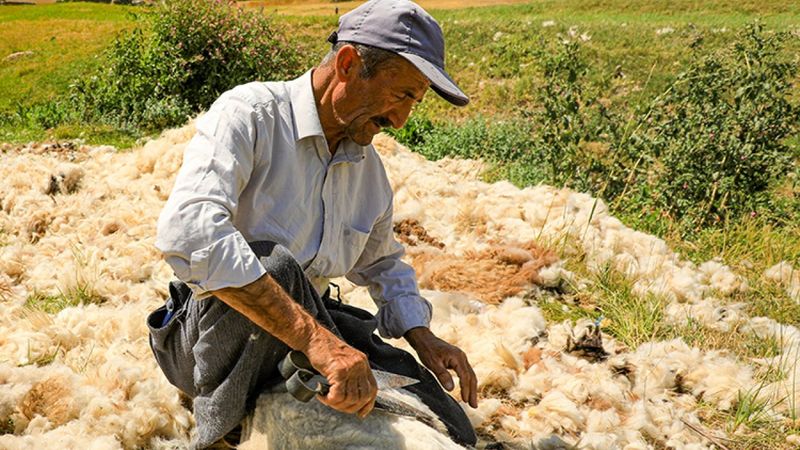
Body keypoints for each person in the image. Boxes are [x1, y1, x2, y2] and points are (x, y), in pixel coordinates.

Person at [147, 0, 478, 448]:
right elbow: (190, 232)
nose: (400, 120)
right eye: (401, 96)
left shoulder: (367, 169)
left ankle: (298, 377)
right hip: (212, 333)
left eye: (413, 104)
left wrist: (424, 338)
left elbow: (382, 263)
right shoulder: (250, 115)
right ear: (347, 64)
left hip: (308, 321)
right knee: (276, 266)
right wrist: (321, 345)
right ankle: (220, 429)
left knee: (451, 425)